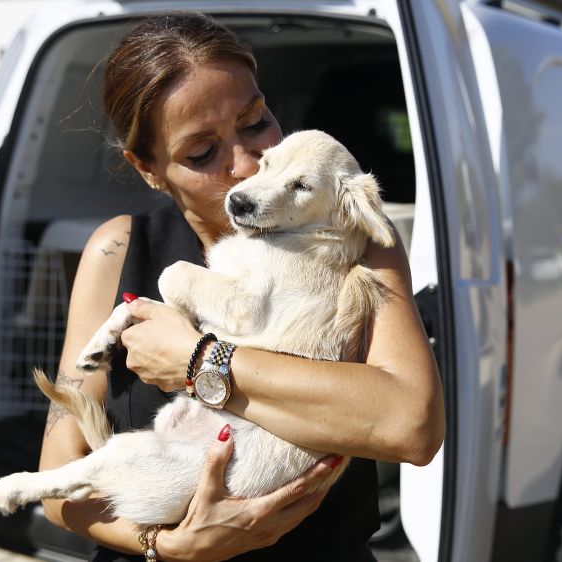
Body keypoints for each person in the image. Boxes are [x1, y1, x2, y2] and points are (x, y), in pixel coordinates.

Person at [37, 12, 445, 562]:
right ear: (148, 168)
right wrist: (171, 545)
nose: (249, 164)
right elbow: (56, 480)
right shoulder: (115, 252)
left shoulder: (351, 236)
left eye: (256, 122)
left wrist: (200, 361)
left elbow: (412, 425)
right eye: (202, 154)